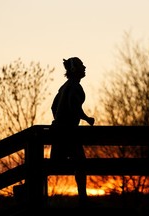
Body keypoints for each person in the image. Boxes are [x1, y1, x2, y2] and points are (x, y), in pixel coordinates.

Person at [50, 57, 95, 206]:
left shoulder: (64, 87)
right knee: (81, 164)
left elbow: (53, 107)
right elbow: (73, 106)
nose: (85, 67)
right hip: (68, 133)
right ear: (75, 69)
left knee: (52, 167)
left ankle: (35, 196)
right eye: (82, 66)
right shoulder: (75, 86)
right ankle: (83, 199)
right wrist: (86, 118)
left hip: (58, 132)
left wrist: (59, 120)